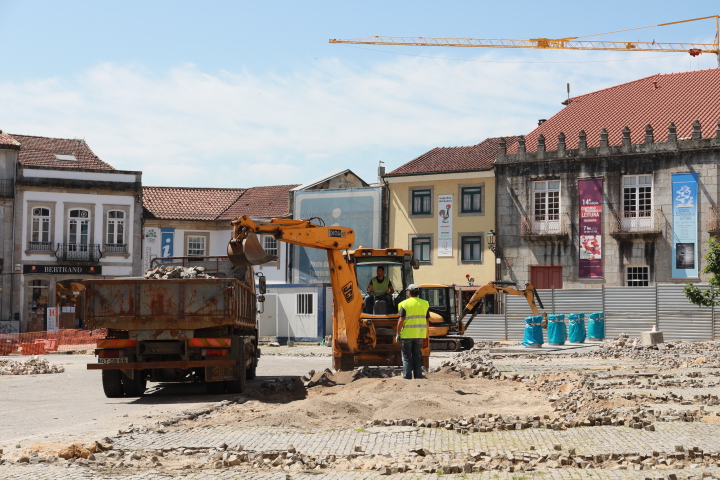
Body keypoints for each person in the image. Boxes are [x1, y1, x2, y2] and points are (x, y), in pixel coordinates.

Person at [396, 284, 430, 380]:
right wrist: (426, 333)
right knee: (417, 356)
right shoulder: (425, 303)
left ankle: (407, 378)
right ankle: (418, 377)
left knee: (406, 357)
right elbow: (427, 320)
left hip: (407, 335)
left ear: (409, 292)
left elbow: (401, 320)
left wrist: (398, 333)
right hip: (419, 334)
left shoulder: (405, 304)